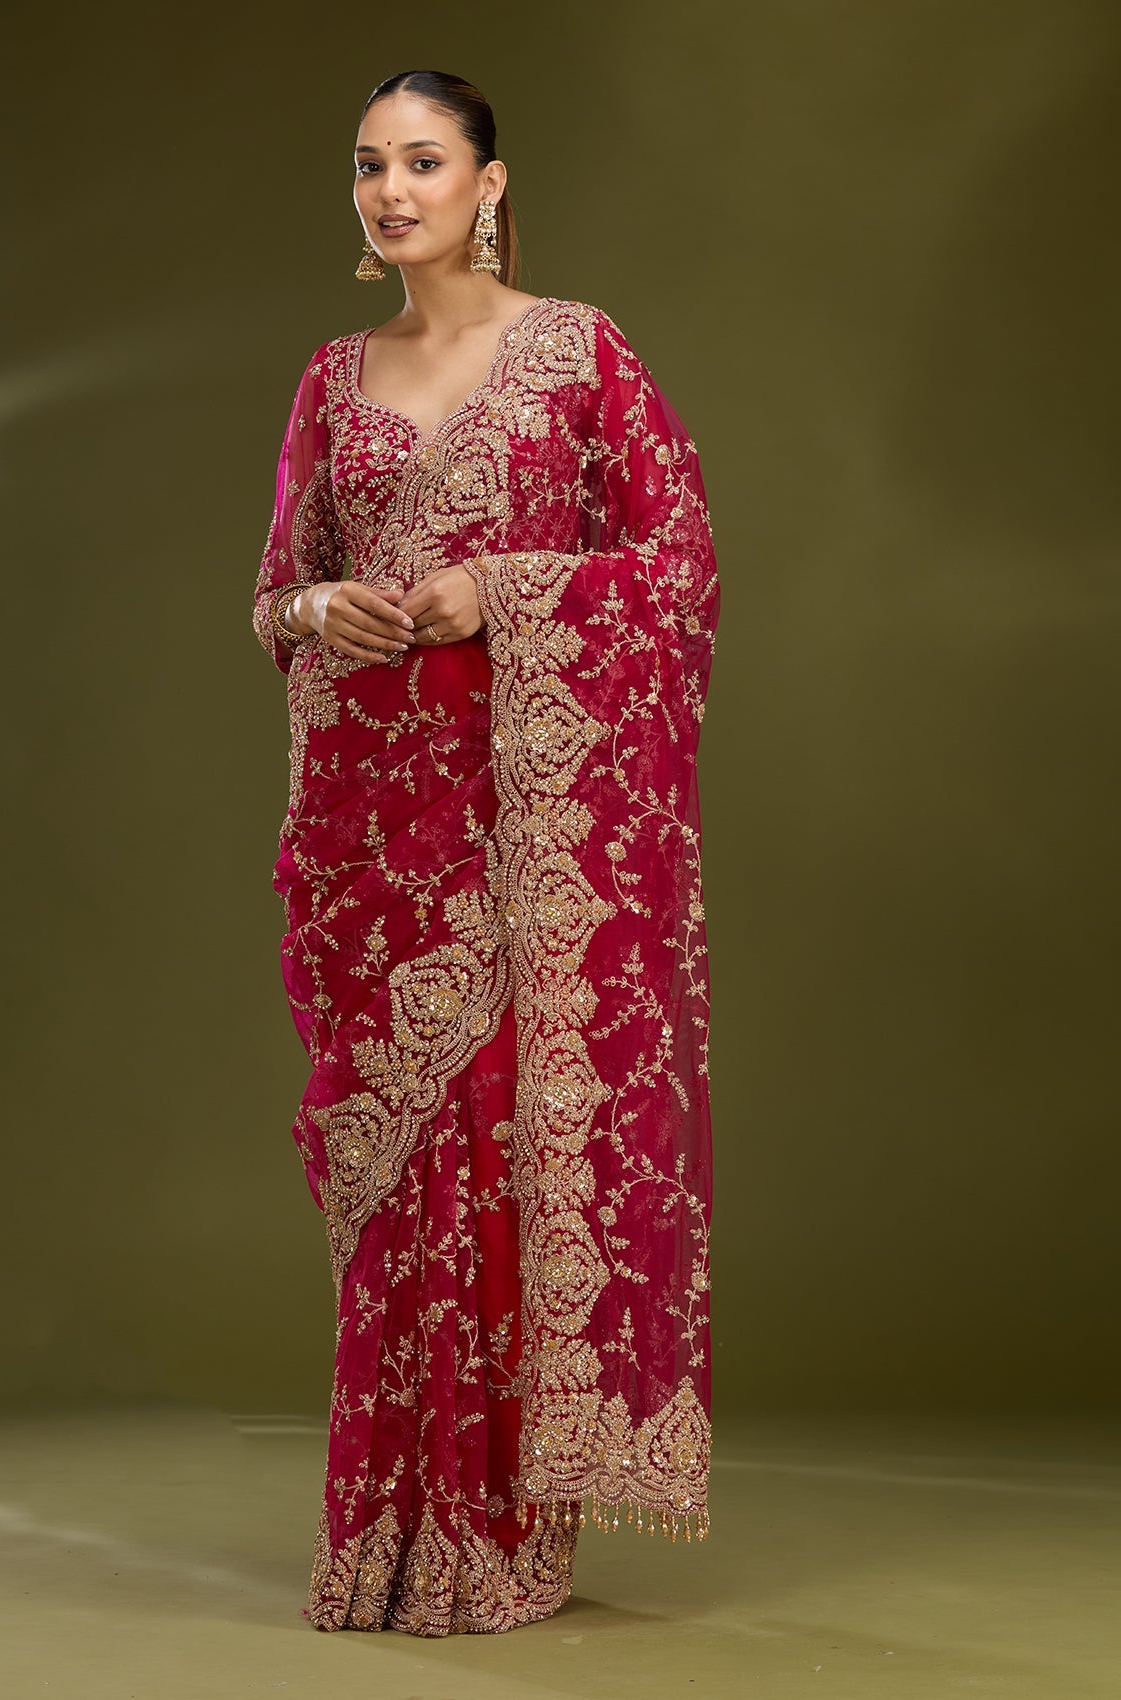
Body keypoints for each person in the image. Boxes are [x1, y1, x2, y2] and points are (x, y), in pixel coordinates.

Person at [252, 68, 721, 1637]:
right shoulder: (331, 378)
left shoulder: (581, 352)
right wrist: (321, 608)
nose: (393, 192)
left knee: (500, 1155)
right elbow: (273, 593)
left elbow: (677, 567)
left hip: (524, 837)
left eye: (424, 162)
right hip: (370, 836)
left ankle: (497, 1536)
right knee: (392, 1182)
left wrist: (503, 589)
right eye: (369, 166)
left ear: (489, 183)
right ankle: (384, 1532)